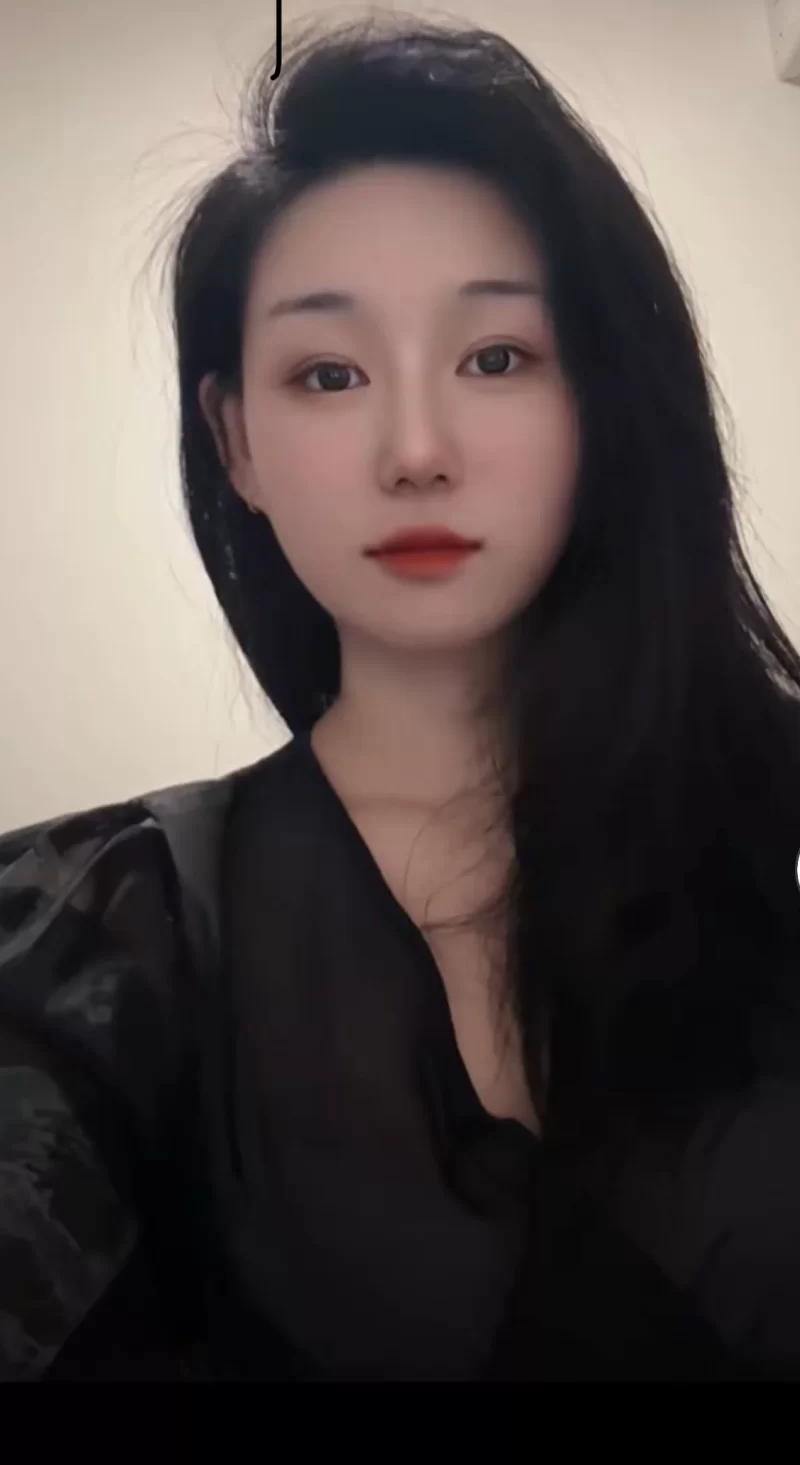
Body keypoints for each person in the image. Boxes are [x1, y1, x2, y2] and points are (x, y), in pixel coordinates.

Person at [2, 12, 800, 1383]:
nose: (416, 451)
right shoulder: (84, 945)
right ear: (236, 442)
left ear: (603, 401)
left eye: (496, 357)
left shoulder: (774, 846)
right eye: (329, 374)